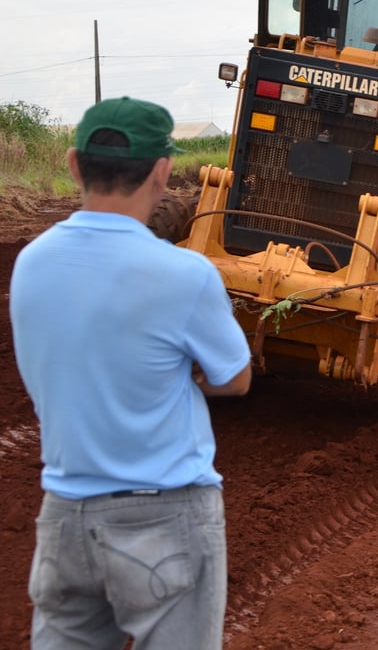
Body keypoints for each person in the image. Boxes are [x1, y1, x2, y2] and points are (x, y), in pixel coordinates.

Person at [9, 97, 253, 649]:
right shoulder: (184, 274)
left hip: (65, 516)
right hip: (164, 515)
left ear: (73, 164)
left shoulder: (32, 262)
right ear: (163, 171)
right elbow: (234, 378)